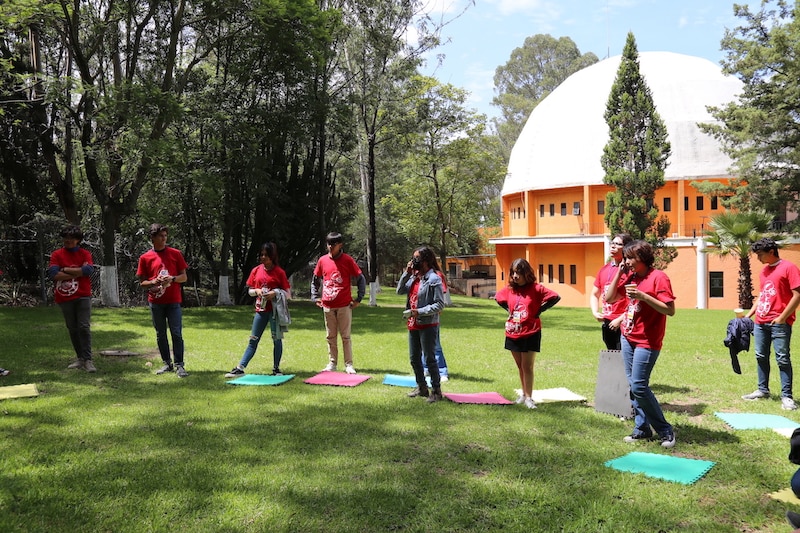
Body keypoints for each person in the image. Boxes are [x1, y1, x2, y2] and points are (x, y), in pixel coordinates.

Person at [605, 240, 676, 448]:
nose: (626, 262)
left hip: (648, 340)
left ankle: (665, 430)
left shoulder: (658, 278)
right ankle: (642, 428)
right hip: (627, 336)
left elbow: (669, 310)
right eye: (625, 258)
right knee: (632, 386)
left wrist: (643, 296)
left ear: (643, 258)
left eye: (630, 258)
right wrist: (619, 272)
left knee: (639, 385)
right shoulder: (630, 276)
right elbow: (609, 298)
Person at [741, 238, 800, 410]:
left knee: (782, 359)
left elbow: (797, 295)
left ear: (771, 252)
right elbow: (762, 296)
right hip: (761, 322)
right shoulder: (764, 271)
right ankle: (762, 390)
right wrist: (749, 315)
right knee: (760, 356)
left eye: (760, 254)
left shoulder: (789, 268)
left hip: (779, 323)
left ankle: (787, 397)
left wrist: (782, 317)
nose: (758, 258)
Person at [494, 258, 560, 409]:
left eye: (519, 273)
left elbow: (555, 297)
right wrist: (509, 311)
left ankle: (529, 398)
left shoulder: (536, 288)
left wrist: (538, 311)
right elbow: (498, 298)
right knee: (520, 366)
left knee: (527, 366)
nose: (515, 276)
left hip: (531, 331)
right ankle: (523, 394)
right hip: (513, 331)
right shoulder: (510, 289)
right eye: (513, 273)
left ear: (526, 273)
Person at [225, 242, 291, 378]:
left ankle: (276, 369)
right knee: (253, 339)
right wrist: (257, 291)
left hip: (275, 312)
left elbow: (288, 293)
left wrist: (275, 293)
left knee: (276, 339)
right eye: (261, 255)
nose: (263, 258)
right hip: (260, 311)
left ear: (272, 257)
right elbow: (249, 291)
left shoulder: (279, 272)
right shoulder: (256, 270)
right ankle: (240, 367)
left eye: (266, 255)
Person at [137, 223, 189, 378]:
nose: (164, 238)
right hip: (156, 302)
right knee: (161, 334)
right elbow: (142, 283)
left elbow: (184, 277)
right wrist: (154, 282)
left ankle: (180, 365)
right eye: (161, 236)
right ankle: (167, 363)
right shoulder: (145, 258)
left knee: (176, 333)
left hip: (173, 301)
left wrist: (172, 278)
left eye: (165, 235)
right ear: (152, 238)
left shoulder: (175, 253)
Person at [311, 232, 366, 374]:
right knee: (330, 336)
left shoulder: (347, 260)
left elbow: (360, 278)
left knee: (345, 336)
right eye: (328, 244)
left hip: (344, 305)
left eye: (333, 244)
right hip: (327, 305)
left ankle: (348, 364)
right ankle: (332, 363)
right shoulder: (322, 260)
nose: (330, 247)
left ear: (340, 245)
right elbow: (315, 279)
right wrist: (315, 296)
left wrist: (359, 299)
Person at [397, 246, 446, 403]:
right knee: (414, 358)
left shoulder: (434, 279)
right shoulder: (414, 277)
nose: (413, 262)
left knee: (430, 358)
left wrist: (420, 311)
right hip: (413, 323)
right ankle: (422, 387)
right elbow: (399, 291)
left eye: (416, 259)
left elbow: (439, 304)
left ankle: (436, 391)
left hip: (428, 325)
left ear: (425, 261)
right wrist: (406, 273)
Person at [48, 225, 97, 372]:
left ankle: (88, 360)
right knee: (72, 328)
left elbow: (89, 270)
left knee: (83, 326)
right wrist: (78, 272)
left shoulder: (84, 254)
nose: (68, 241)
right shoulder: (57, 254)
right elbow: (53, 275)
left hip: (83, 295)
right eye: (66, 238)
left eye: (72, 238)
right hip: (64, 297)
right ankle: (80, 358)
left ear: (78, 240)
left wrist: (65, 269)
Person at [591, 233, 633, 350]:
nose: (613, 246)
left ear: (626, 248)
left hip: (624, 322)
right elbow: (595, 294)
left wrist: (620, 319)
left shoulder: (630, 271)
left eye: (618, 244)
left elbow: (635, 303)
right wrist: (595, 312)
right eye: (612, 243)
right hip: (608, 322)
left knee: (623, 359)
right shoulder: (604, 269)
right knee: (612, 357)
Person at [423, 268, 450, 382]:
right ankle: (426, 368)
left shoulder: (437, 275)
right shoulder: (419, 275)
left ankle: (442, 371)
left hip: (433, 316)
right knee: (423, 345)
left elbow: (441, 293)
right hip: (420, 315)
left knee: (436, 345)